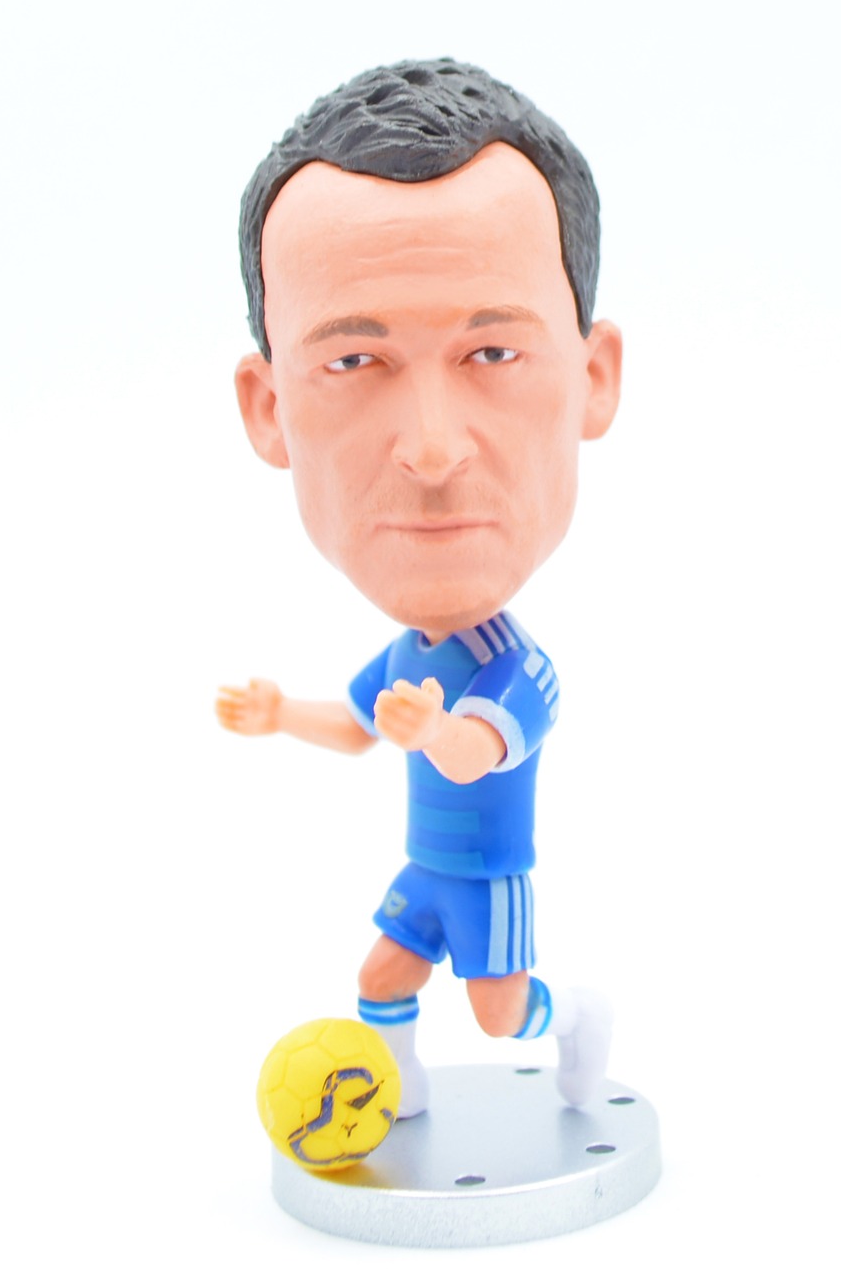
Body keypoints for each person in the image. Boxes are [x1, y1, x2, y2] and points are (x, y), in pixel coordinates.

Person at [217, 59, 623, 1119]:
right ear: (267, 408)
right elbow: (359, 727)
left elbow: (475, 747)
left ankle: (573, 1018)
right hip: (426, 870)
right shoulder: (411, 657)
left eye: (493, 351)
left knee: (498, 1011)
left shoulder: (515, 667)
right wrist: (279, 713)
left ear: (594, 378)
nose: (433, 450)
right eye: (354, 362)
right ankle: (394, 1095)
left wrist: (430, 728)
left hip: (489, 879)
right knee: (380, 976)